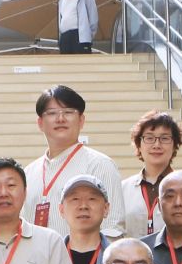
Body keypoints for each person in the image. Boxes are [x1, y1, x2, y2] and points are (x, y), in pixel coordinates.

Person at [28, 85, 128, 239]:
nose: (60, 119)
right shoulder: (28, 172)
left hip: (81, 255)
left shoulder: (100, 164)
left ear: (81, 120)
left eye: (68, 112)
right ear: (40, 123)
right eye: (52, 113)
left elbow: (112, 228)